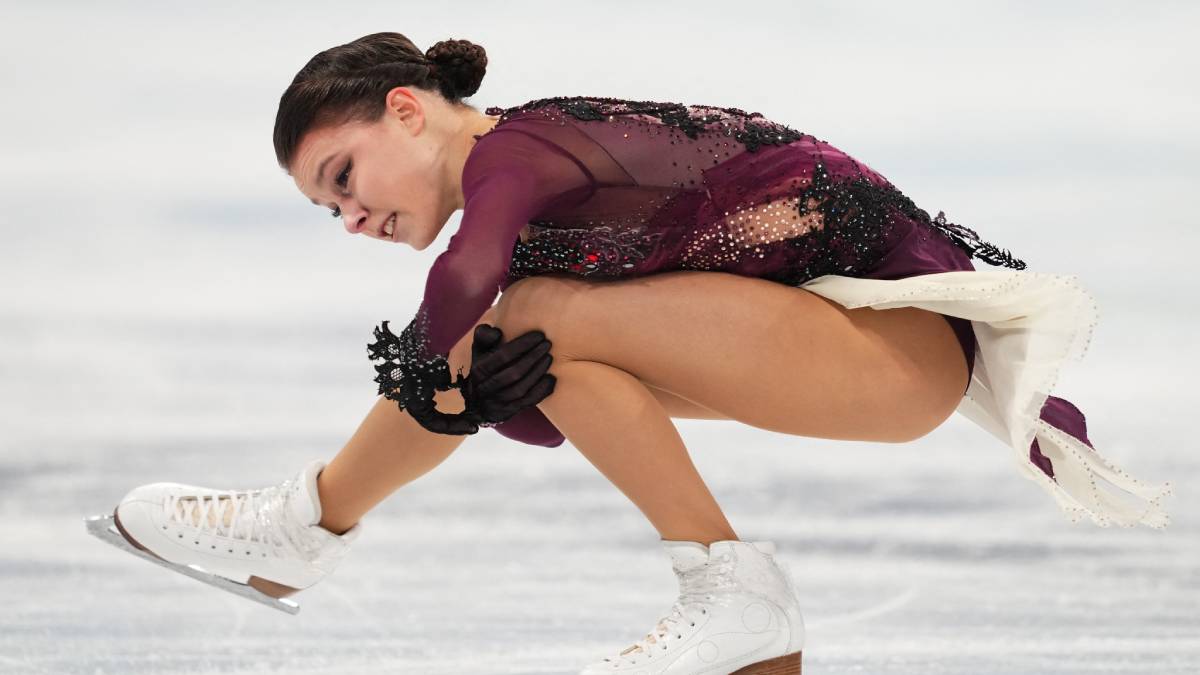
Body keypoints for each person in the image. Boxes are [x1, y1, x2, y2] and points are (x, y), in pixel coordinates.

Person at [106, 32, 1173, 675]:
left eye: (344, 178)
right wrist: (478, 388)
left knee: (515, 311)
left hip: (893, 353)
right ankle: (732, 603)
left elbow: (470, 284)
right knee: (533, 335)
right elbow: (550, 396)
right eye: (323, 209)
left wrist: (447, 371)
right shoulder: (520, 196)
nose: (350, 218)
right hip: (846, 357)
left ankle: (305, 524)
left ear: (408, 111)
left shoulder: (516, 153)